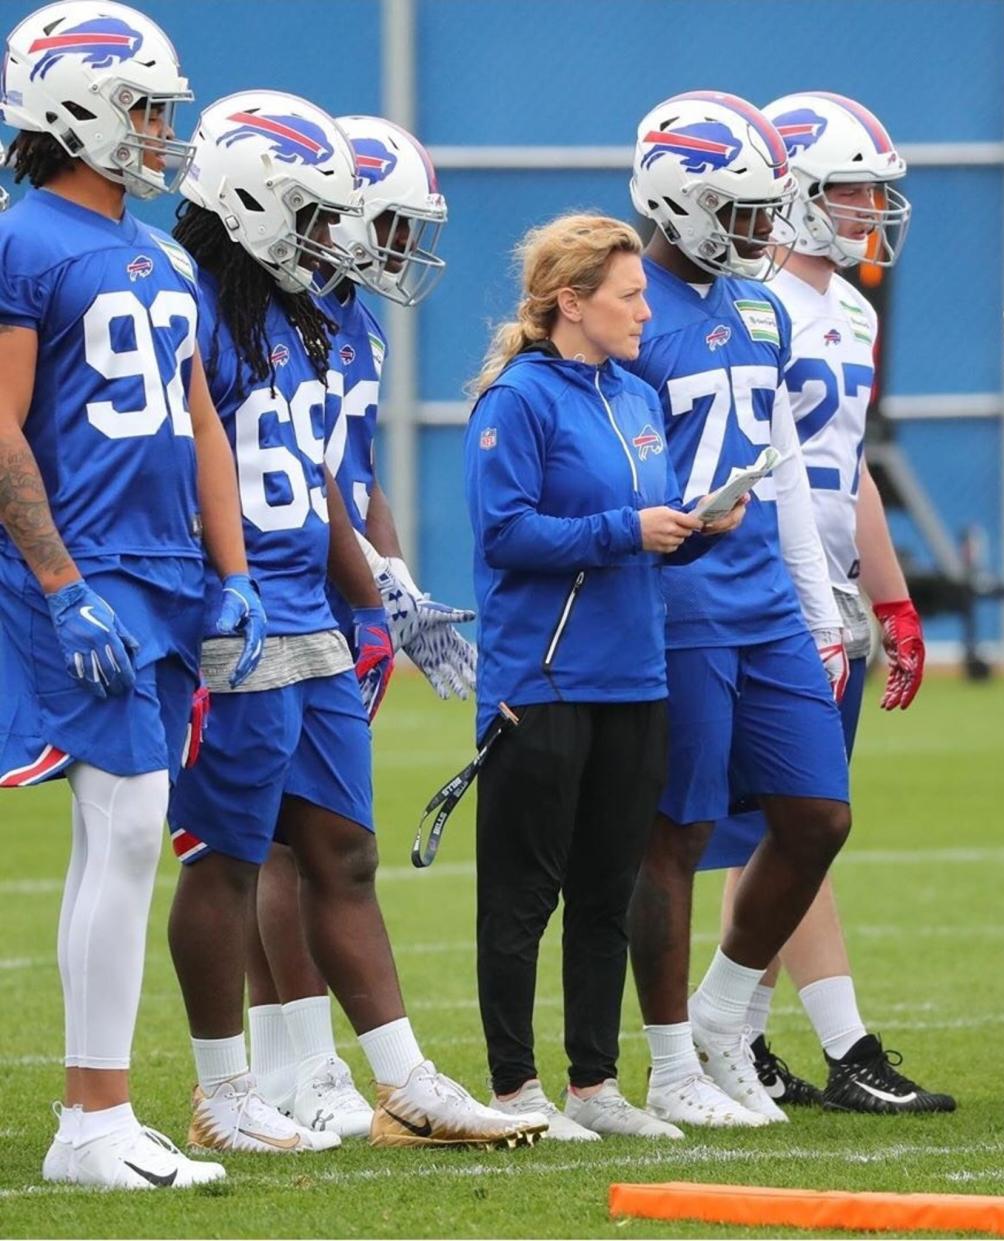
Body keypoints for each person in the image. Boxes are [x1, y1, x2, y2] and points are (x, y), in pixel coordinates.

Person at [164, 89, 542, 1154]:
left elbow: (327, 475)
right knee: (229, 856)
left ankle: (403, 1076)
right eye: (320, 213)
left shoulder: (305, 311)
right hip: (230, 611)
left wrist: (380, 586)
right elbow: (172, 464)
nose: (337, 238)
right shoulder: (190, 300)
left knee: (342, 847)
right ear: (256, 201)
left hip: (312, 609)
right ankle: (227, 1086)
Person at [0, 0, 265, 1188]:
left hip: (162, 577)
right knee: (122, 821)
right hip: (84, 568)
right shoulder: (26, 238)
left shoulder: (161, 255)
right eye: (144, 107)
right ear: (73, 107)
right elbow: (1, 423)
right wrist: (58, 581)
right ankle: (92, 1118)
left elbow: (204, 419)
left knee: (129, 829)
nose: (161, 132)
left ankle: (93, 1113)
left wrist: (235, 571)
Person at [696, 89, 952, 1115]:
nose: (867, 212)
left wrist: (890, 604)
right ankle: (839, 1044)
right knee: (797, 819)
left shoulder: (847, 309)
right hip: (763, 597)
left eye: (875, 194)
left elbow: (845, 471)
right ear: (794, 188)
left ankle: (744, 1042)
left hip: (830, 593)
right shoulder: (754, 302)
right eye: (851, 191)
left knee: (787, 824)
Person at [465, 213, 744, 1140]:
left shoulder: (634, 394)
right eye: (629, 296)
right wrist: (631, 529)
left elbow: (637, 543)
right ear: (570, 302)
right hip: (543, 679)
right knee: (520, 897)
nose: (643, 310)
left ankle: (595, 1084)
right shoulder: (518, 398)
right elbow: (504, 532)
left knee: (606, 891)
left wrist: (695, 533)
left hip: (635, 677)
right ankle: (515, 1089)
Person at [241, 114, 477, 1140]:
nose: (395, 249)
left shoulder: (355, 325)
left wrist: (397, 586)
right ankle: (297, 1061)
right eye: (384, 224)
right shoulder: (268, 313)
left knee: (314, 839)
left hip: (341, 595)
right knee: (268, 840)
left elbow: (358, 478)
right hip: (276, 592)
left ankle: (300, 1061)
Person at [624, 90, 853, 1128]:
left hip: (763, 597)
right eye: (743, 209)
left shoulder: (757, 307)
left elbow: (789, 465)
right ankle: (672, 1062)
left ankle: (722, 1018)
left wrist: (821, 606)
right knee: (675, 832)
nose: (761, 230)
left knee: (817, 813)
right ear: (680, 197)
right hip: (680, 601)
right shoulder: (626, 304)